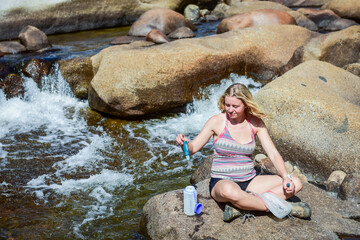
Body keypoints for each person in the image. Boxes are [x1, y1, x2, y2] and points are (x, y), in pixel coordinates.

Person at [176, 83, 311, 222]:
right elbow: (192, 149)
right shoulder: (216, 122)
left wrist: (285, 177)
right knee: (230, 192)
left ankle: (242, 206)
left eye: (235, 106)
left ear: (246, 104)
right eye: (227, 105)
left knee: (296, 183)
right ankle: (285, 207)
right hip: (222, 181)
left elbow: (273, 153)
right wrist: (184, 143)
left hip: (250, 181)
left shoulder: (255, 123)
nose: (230, 110)